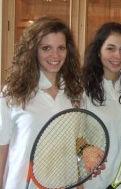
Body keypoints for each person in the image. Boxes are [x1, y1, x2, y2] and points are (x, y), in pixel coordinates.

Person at [0, 16, 105, 189]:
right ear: (33, 50)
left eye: (61, 48)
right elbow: (2, 150)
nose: (55, 55)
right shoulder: (11, 94)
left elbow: (76, 143)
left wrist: (88, 154)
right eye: (46, 48)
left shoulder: (77, 93)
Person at [81, 22, 121, 189]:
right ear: (98, 51)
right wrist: (85, 149)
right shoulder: (81, 89)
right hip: (92, 182)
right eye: (110, 48)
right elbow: (72, 136)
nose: (117, 55)